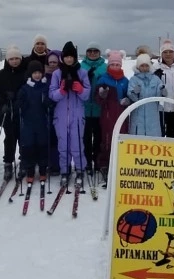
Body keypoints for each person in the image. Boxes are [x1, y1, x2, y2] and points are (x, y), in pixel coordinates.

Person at [48, 41, 91, 190]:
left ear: (74, 57)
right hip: (60, 116)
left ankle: (80, 170)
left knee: (77, 145)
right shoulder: (57, 74)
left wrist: (80, 89)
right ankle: (64, 171)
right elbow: (52, 95)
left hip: (77, 115)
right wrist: (61, 91)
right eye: (66, 56)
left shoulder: (82, 73)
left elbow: (87, 95)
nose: (68, 59)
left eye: (71, 56)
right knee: (63, 146)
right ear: (63, 58)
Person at [0, 44, 27, 181]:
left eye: (17, 58)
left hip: (22, 112)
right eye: (11, 59)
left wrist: (18, 98)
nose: (14, 61)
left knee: (23, 138)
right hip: (7, 112)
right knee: (9, 139)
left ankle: (24, 161)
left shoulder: (25, 73)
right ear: (7, 60)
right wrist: (2, 104)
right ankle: (8, 163)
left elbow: (28, 91)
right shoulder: (1, 74)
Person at [95, 50, 129, 186]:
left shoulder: (125, 80)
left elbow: (130, 95)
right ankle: (105, 164)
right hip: (107, 115)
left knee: (121, 138)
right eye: (112, 64)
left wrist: (127, 100)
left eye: (117, 64)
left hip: (121, 115)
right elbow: (96, 98)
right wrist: (102, 96)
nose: (115, 67)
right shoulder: (103, 79)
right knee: (107, 139)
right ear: (109, 65)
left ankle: (120, 164)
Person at [16, 60, 51, 185]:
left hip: (42, 122)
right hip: (28, 123)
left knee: (42, 145)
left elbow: (49, 100)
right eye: (34, 73)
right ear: (30, 74)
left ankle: (42, 170)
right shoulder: (25, 88)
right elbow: (18, 102)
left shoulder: (45, 86)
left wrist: (48, 103)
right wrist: (21, 103)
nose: (37, 75)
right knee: (29, 146)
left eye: (39, 72)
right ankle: (30, 171)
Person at [81, 41, 107, 177]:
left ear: (99, 53)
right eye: (90, 51)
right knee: (85, 137)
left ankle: (97, 161)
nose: (92, 53)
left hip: (99, 109)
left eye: (95, 51)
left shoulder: (104, 67)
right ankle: (86, 161)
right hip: (84, 108)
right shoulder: (81, 66)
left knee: (98, 137)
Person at [127, 53, 166, 137]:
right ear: (138, 67)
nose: (144, 68)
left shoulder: (156, 79)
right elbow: (131, 96)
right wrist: (134, 92)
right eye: (142, 66)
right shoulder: (133, 80)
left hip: (152, 115)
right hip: (138, 115)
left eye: (146, 66)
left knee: (152, 139)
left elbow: (159, 95)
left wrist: (162, 91)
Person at [154, 39, 174, 137]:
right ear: (161, 54)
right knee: (160, 135)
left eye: (171, 52)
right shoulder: (155, 67)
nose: (168, 54)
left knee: (173, 135)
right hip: (161, 108)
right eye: (165, 52)